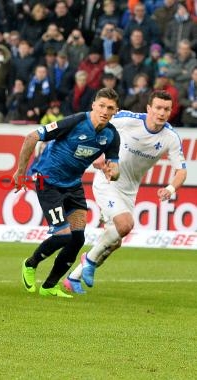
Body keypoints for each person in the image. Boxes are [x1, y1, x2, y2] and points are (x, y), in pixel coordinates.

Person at [64, 91, 187, 294]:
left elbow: (181, 171)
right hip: (108, 181)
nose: (161, 113)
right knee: (125, 224)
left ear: (170, 111)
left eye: (166, 109)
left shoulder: (171, 137)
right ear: (148, 108)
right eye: (157, 107)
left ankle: (73, 278)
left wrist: (170, 188)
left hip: (129, 191)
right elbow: (96, 120)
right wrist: (97, 152)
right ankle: (89, 260)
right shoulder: (128, 119)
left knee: (115, 242)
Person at [16, 87, 121, 298]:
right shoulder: (74, 121)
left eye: (109, 108)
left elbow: (115, 167)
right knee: (63, 235)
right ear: (93, 105)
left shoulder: (111, 135)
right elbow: (31, 137)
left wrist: (113, 173)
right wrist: (20, 171)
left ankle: (49, 286)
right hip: (48, 180)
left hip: (73, 185)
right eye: (101, 105)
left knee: (77, 238)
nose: (104, 111)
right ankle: (30, 263)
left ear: (115, 111)